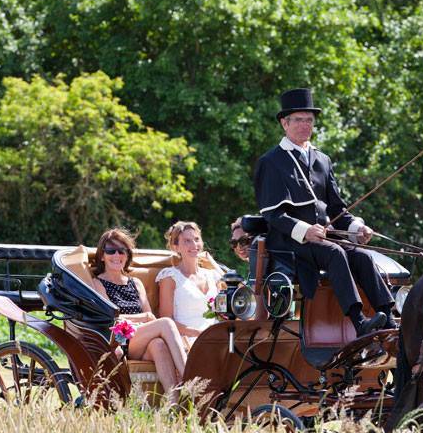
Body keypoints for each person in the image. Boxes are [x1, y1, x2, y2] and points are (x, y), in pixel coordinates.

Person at [253, 88, 394, 337]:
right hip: (289, 242)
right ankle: (359, 321)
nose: (305, 125)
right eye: (299, 120)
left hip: (325, 239)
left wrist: (357, 228)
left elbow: (338, 208)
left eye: (309, 120)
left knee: (363, 256)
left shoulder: (322, 160)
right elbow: (273, 215)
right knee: (335, 253)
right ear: (284, 123)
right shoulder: (271, 161)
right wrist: (305, 231)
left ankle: (388, 318)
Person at [90, 228, 189, 406]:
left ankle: (173, 404)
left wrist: (139, 318)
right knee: (166, 323)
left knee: (158, 345)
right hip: (120, 339)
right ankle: (189, 377)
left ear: (127, 255)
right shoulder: (98, 283)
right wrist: (142, 317)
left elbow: (150, 317)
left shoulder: (135, 283)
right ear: (102, 256)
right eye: (111, 251)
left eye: (122, 250)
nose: (117, 255)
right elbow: (112, 319)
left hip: (141, 338)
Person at [156, 221, 223, 340]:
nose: (194, 245)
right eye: (187, 241)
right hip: (187, 339)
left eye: (197, 239)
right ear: (175, 247)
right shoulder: (170, 277)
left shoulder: (213, 276)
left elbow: (222, 313)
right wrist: (198, 333)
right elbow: (166, 321)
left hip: (216, 337)